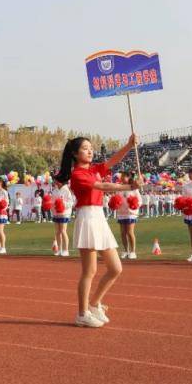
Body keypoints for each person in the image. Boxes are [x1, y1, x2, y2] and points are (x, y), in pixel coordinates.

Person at [54, 134, 139, 328]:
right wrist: (130, 186)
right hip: (87, 218)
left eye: (91, 147)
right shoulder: (77, 175)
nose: (90, 151)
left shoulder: (93, 170)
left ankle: (94, 304)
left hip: (99, 218)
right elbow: (103, 186)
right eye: (85, 148)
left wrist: (128, 145)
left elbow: (112, 161)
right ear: (75, 154)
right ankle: (82, 313)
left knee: (116, 268)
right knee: (89, 271)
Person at [113, 172, 141, 260]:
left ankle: (133, 251)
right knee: (122, 233)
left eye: (123, 177)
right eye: (121, 177)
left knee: (129, 232)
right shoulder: (119, 188)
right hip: (121, 213)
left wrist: (135, 205)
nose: (121, 178)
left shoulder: (133, 188)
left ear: (128, 177)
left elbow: (140, 201)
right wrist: (114, 204)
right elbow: (116, 198)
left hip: (130, 213)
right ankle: (126, 251)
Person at [50, 180, 74, 257]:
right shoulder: (54, 191)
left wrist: (62, 204)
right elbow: (52, 202)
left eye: (58, 180)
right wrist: (54, 207)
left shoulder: (67, 190)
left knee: (63, 231)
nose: (57, 182)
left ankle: (66, 250)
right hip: (56, 213)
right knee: (57, 232)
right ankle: (59, 250)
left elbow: (71, 203)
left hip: (64, 213)